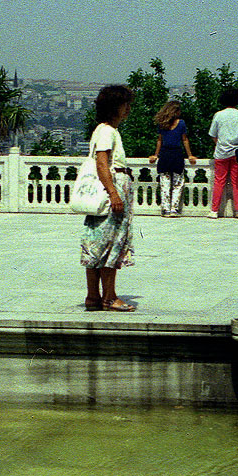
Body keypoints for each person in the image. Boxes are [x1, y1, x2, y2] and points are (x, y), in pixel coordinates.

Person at [81, 85, 137, 311]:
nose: (128, 109)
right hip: (110, 191)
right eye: (126, 105)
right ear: (115, 107)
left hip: (106, 191)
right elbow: (102, 162)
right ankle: (109, 297)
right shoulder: (107, 131)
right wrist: (114, 192)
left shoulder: (104, 130)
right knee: (111, 245)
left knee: (96, 245)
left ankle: (93, 297)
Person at [208, 86, 238, 219]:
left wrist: (220, 144)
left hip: (221, 153)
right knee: (237, 182)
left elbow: (213, 134)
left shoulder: (218, 115)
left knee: (219, 181)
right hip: (237, 153)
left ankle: (214, 210)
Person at [148, 100, 197, 217]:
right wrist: (189, 154)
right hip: (176, 154)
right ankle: (174, 209)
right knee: (177, 183)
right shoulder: (181, 124)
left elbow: (159, 140)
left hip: (164, 155)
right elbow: (184, 140)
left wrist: (156, 154)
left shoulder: (162, 124)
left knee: (165, 182)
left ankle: (165, 209)